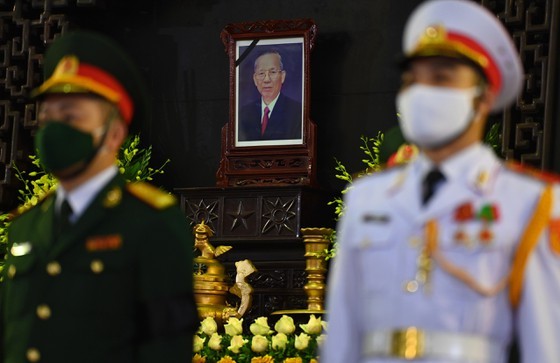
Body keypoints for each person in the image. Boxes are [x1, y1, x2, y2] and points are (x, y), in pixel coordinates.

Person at [321, 1, 560, 362]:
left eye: (441, 78)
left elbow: (545, 345)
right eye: (412, 80)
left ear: (484, 96)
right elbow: (341, 336)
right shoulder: (366, 198)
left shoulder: (528, 200)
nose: (421, 92)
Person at [0, 31, 198, 363]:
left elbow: (167, 348)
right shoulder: (25, 226)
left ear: (114, 133)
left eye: (71, 117)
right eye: (47, 117)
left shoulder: (151, 223)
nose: (52, 130)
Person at [238, 50, 303, 141]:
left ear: (282, 76)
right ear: (255, 79)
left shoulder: (298, 112)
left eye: (272, 72)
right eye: (261, 73)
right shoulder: (243, 113)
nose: (267, 79)